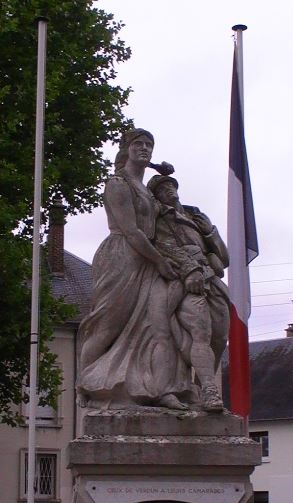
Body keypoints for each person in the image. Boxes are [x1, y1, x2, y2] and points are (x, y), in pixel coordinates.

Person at [77, 129, 197, 410]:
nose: (144, 148)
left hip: (150, 258)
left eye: (149, 145)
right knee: (108, 325)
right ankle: (84, 384)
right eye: (138, 144)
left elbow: (165, 217)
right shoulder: (117, 183)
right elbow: (131, 231)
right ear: (126, 149)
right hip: (122, 257)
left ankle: (160, 388)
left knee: (158, 327)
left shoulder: (146, 188)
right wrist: (159, 261)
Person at [147, 174, 230, 412]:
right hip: (186, 282)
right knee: (200, 333)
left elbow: (224, 259)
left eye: (171, 186)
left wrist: (211, 232)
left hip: (211, 280)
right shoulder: (158, 216)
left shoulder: (194, 217)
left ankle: (198, 390)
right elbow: (159, 244)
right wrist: (189, 268)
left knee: (219, 338)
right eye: (162, 188)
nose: (169, 190)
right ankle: (210, 391)